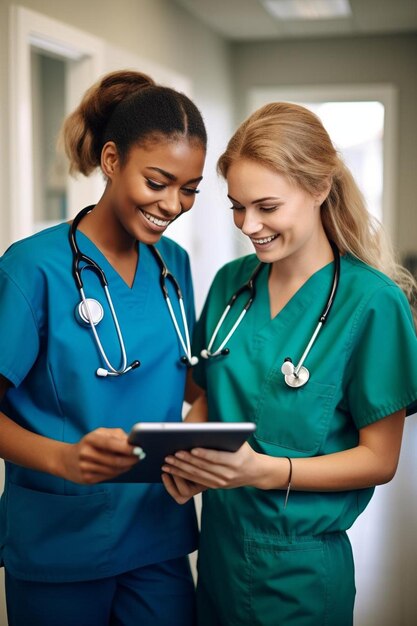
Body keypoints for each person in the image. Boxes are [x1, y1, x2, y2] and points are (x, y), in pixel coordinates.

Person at [161, 102, 417, 626]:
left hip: (300, 573)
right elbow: (208, 393)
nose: (248, 225)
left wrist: (264, 470)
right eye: (237, 206)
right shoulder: (233, 285)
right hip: (216, 557)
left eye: (267, 207)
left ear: (320, 188)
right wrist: (185, 456)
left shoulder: (372, 303)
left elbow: (380, 460)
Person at [0, 69, 207, 626]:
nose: (173, 204)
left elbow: (191, 380)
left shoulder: (174, 266)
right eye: (158, 181)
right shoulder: (32, 268)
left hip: (157, 536)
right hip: (59, 541)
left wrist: (200, 435)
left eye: (189, 188)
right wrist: (65, 458)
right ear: (112, 161)